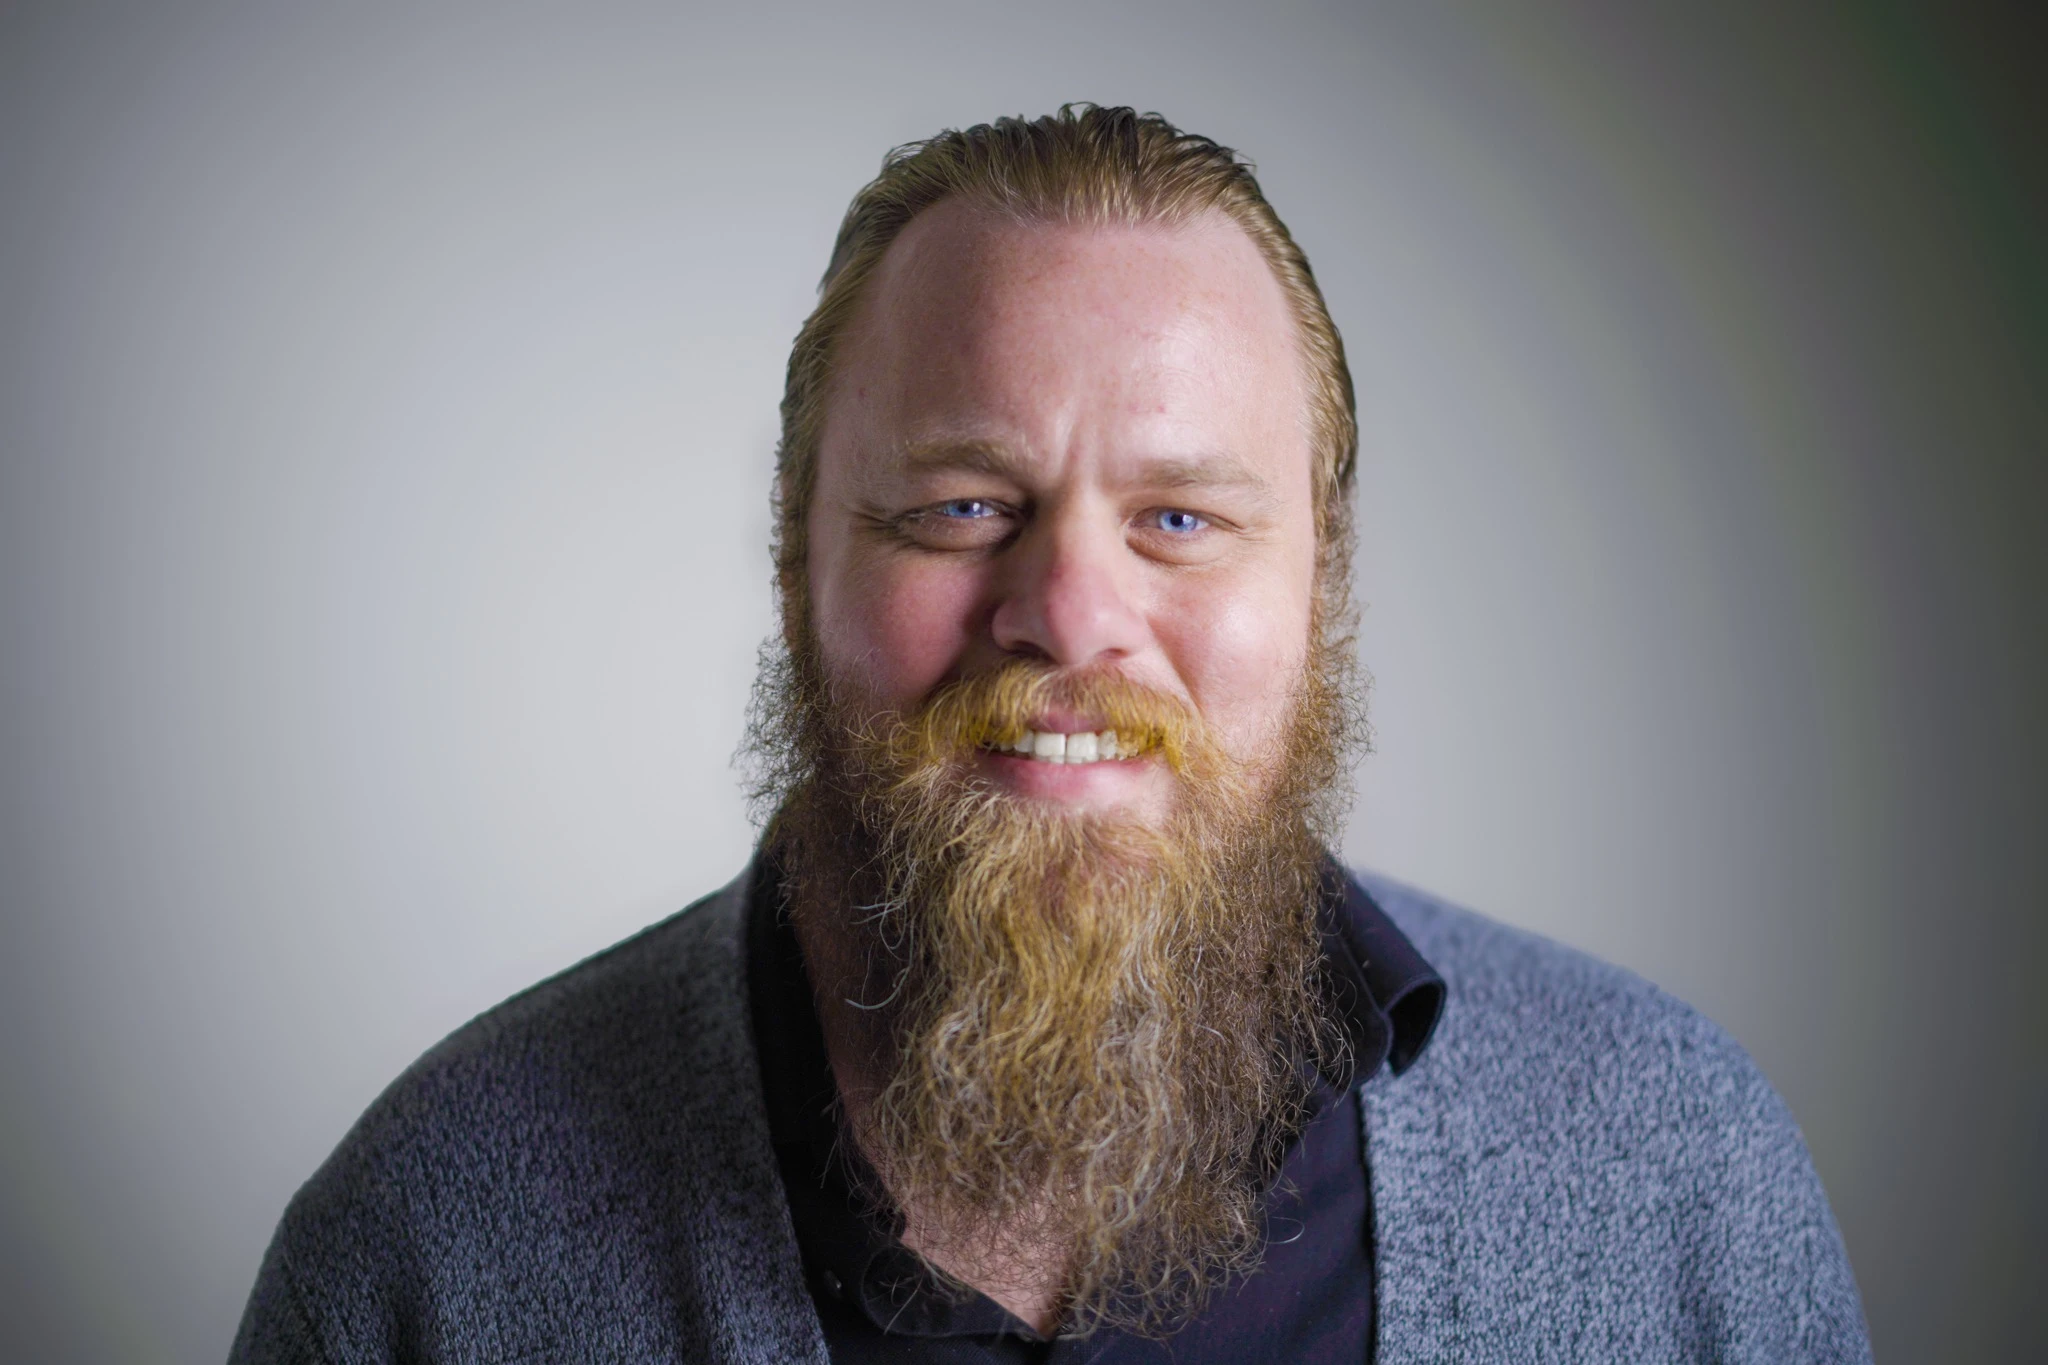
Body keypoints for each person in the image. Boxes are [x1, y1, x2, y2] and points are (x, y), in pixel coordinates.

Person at [231, 105, 1870, 1363]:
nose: (1072, 613)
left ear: (1326, 574)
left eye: (1178, 517)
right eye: (961, 506)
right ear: (797, 554)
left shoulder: (1675, 1173)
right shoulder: (432, 1249)